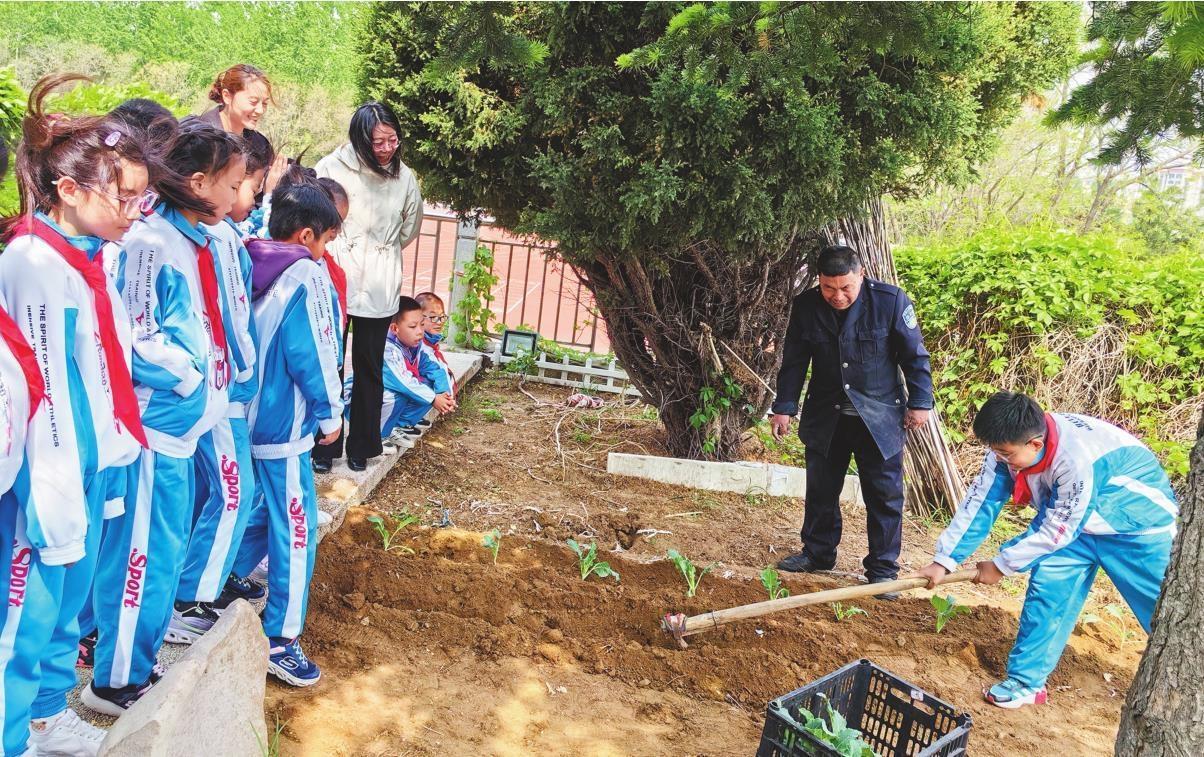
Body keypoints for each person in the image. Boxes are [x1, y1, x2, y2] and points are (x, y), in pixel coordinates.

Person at [0, 73, 157, 755]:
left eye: (140, 196)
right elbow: (44, 388)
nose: (135, 210)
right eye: (123, 196)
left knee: (66, 611)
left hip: (92, 461)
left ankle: (43, 716)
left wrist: (113, 453)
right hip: (50, 472)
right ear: (69, 190)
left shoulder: (90, 258)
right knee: (25, 622)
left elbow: (98, 368)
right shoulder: (34, 261)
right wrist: (58, 489)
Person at [87, 120, 244, 715]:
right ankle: (117, 681)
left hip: (181, 434)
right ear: (200, 183)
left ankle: (136, 663)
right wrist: (188, 376)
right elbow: (134, 333)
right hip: (157, 433)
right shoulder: (151, 244)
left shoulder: (193, 240)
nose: (235, 198)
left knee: (162, 552)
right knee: (142, 560)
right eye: (231, 185)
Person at [916, 392, 1177, 709]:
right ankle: (1026, 683)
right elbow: (981, 502)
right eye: (995, 451)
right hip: (1072, 526)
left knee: (1167, 610)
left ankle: (1189, 683)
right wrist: (944, 560)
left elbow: (1058, 529)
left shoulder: (1077, 458)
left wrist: (1001, 565)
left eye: (1005, 454)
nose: (999, 458)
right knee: (1046, 597)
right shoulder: (1006, 448)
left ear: (1036, 445)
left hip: (1136, 528)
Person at [230, 183, 344, 686]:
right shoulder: (305, 275)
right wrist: (330, 412)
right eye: (326, 241)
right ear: (306, 235)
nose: (325, 253)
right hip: (284, 425)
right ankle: (281, 637)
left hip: (242, 414)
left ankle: (215, 582)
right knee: (298, 527)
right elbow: (314, 350)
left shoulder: (246, 257)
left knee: (262, 508)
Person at [770, 245, 933, 595]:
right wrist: (784, 406)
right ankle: (818, 553)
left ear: (860, 275)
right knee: (821, 491)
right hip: (826, 416)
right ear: (819, 281)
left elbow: (915, 356)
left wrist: (920, 402)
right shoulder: (807, 306)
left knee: (885, 496)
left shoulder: (890, 302)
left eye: (845, 287)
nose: (837, 296)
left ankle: (883, 570)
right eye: (829, 288)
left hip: (879, 418)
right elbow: (795, 360)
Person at [169, 121, 265, 643]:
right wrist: (242, 375)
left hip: (215, 387)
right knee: (232, 491)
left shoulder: (209, 235)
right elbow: (228, 313)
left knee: (219, 491)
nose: (241, 195)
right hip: (215, 390)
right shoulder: (213, 238)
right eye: (240, 184)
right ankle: (191, 598)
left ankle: (201, 585)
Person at [316, 101, 423, 472]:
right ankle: (323, 448)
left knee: (368, 367)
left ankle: (361, 446)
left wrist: (381, 252)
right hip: (336, 279)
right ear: (360, 140)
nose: (387, 148)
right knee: (328, 364)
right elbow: (315, 214)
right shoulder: (331, 166)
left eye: (392, 140)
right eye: (378, 142)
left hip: (379, 284)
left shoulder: (404, 177)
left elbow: (409, 227)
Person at [346, 296, 455, 451]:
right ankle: (376, 435)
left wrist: (444, 393)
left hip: (386, 394)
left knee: (429, 384)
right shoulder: (386, 349)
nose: (420, 332)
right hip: (357, 401)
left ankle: (397, 425)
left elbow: (435, 368)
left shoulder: (414, 345)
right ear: (394, 329)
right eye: (413, 326)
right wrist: (433, 398)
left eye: (422, 325)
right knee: (401, 394)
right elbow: (404, 383)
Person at [416, 290, 456, 398]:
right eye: (433, 317)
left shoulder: (430, 342)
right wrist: (447, 397)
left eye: (442, 317)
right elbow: (437, 371)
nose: (439, 322)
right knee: (429, 384)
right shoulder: (418, 344)